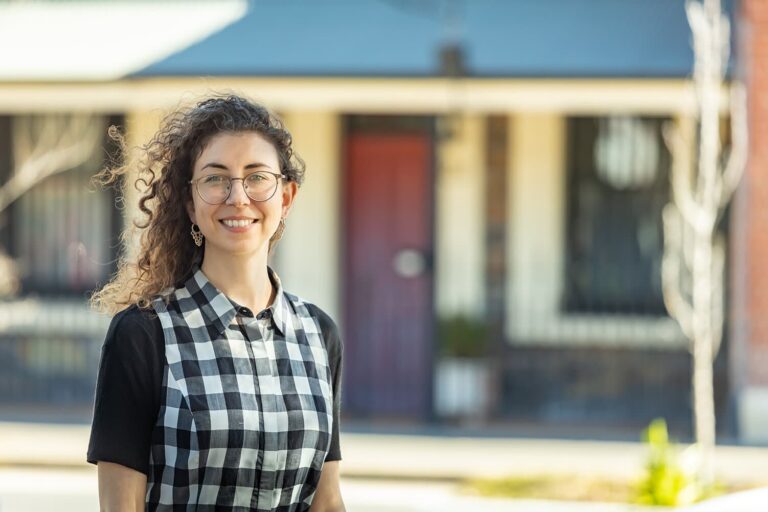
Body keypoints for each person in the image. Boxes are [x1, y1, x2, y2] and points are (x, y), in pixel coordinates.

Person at [86, 94, 345, 512]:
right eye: (215, 178)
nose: (238, 197)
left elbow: (327, 501)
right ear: (190, 203)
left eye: (257, 176)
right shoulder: (144, 335)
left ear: (286, 196)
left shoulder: (318, 334)